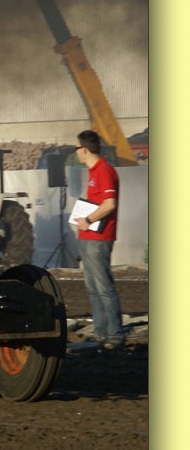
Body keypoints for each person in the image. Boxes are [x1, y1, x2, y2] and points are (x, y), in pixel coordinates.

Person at [74, 129, 125, 350]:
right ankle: (101, 333)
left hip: (99, 238)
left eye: (77, 148)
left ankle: (115, 335)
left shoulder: (104, 171)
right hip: (88, 236)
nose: (76, 152)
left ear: (85, 150)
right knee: (93, 287)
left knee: (104, 287)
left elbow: (109, 203)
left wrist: (88, 219)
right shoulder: (94, 172)